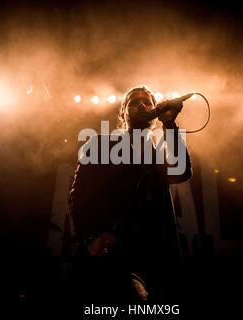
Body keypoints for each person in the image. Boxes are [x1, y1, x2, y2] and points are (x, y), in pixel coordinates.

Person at [68, 85, 192, 301]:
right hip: (112, 257)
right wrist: (90, 239)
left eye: (147, 102)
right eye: (134, 101)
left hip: (153, 256)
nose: (141, 105)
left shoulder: (157, 155)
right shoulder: (99, 144)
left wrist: (170, 123)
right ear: (123, 112)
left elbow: (181, 171)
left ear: (154, 113)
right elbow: (78, 197)